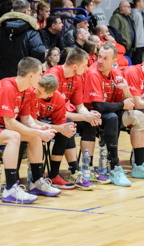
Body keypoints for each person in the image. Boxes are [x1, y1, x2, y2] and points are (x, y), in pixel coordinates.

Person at [0, 57, 57, 203]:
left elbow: (27, 120)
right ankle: (10, 189)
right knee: (14, 136)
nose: (42, 77)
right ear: (31, 75)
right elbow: (10, 124)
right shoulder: (7, 87)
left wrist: (41, 128)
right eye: (40, 74)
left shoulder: (27, 91)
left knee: (34, 137)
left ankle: (37, 182)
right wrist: (38, 131)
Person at [83, 42, 144, 186]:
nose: (100, 61)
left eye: (105, 58)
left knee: (140, 116)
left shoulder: (115, 73)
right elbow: (98, 106)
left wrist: (124, 89)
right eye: (99, 57)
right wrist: (122, 105)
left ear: (113, 61)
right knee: (111, 118)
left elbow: (129, 101)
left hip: (112, 112)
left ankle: (139, 164)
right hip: (93, 115)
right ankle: (115, 166)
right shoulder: (93, 73)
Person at [46, 48, 106, 187]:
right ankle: (74, 171)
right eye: (85, 66)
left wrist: (89, 116)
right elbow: (57, 113)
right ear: (75, 66)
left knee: (88, 124)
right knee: (68, 123)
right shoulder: (53, 75)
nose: (87, 69)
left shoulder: (77, 78)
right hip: (45, 115)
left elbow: (79, 106)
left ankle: (87, 168)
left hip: (62, 116)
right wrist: (84, 117)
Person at [0, 0, 45, 81]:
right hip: (24, 75)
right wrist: (31, 63)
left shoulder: (2, 28)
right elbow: (39, 51)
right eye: (30, 10)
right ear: (27, 12)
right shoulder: (31, 30)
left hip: (4, 75)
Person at [130, 0, 144, 65]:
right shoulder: (135, 14)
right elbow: (133, 28)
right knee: (136, 63)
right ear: (138, 2)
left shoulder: (140, 13)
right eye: (142, 1)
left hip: (140, 42)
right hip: (137, 43)